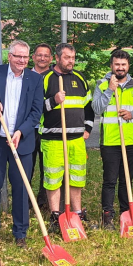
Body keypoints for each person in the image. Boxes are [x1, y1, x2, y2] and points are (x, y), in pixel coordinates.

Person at [0, 40, 44, 249]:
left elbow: (36, 113)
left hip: (21, 142)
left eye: (25, 57)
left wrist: (21, 131)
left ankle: (20, 233)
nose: (22, 60)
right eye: (18, 56)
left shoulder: (35, 79)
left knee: (21, 187)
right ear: (9, 56)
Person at [40, 43, 94, 232]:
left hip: (77, 139)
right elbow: (36, 108)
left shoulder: (79, 78)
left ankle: (78, 213)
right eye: (67, 57)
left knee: (77, 177)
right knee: (53, 178)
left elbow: (89, 107)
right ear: (57, 58)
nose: (71, 61)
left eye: (73, 57)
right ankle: (55, 217)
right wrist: (53, 101)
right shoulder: (46, 79)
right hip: (53, 139)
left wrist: (87, 127)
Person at [92, 50, 133, 230]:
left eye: (123, 65)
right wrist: (110, 90)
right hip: (110, 141)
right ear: (111, 65)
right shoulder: (101, 84)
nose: (120, 68)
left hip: (131, 140)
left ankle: (126, 213)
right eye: (117, 64)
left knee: (127, 179)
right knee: (109, 180)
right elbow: (97, 109)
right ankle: (107, 216)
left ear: (128, 66)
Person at [30, 43, 53, 209]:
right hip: (28, 129)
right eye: (39, 55)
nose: (42, 58)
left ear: (51, 58)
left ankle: (44, 202)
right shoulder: (25, 76)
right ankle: (25, 201)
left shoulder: (55, 77)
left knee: (47, 168)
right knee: (27, 166)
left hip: (49, 129)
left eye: (46, 55)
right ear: (33, 57)